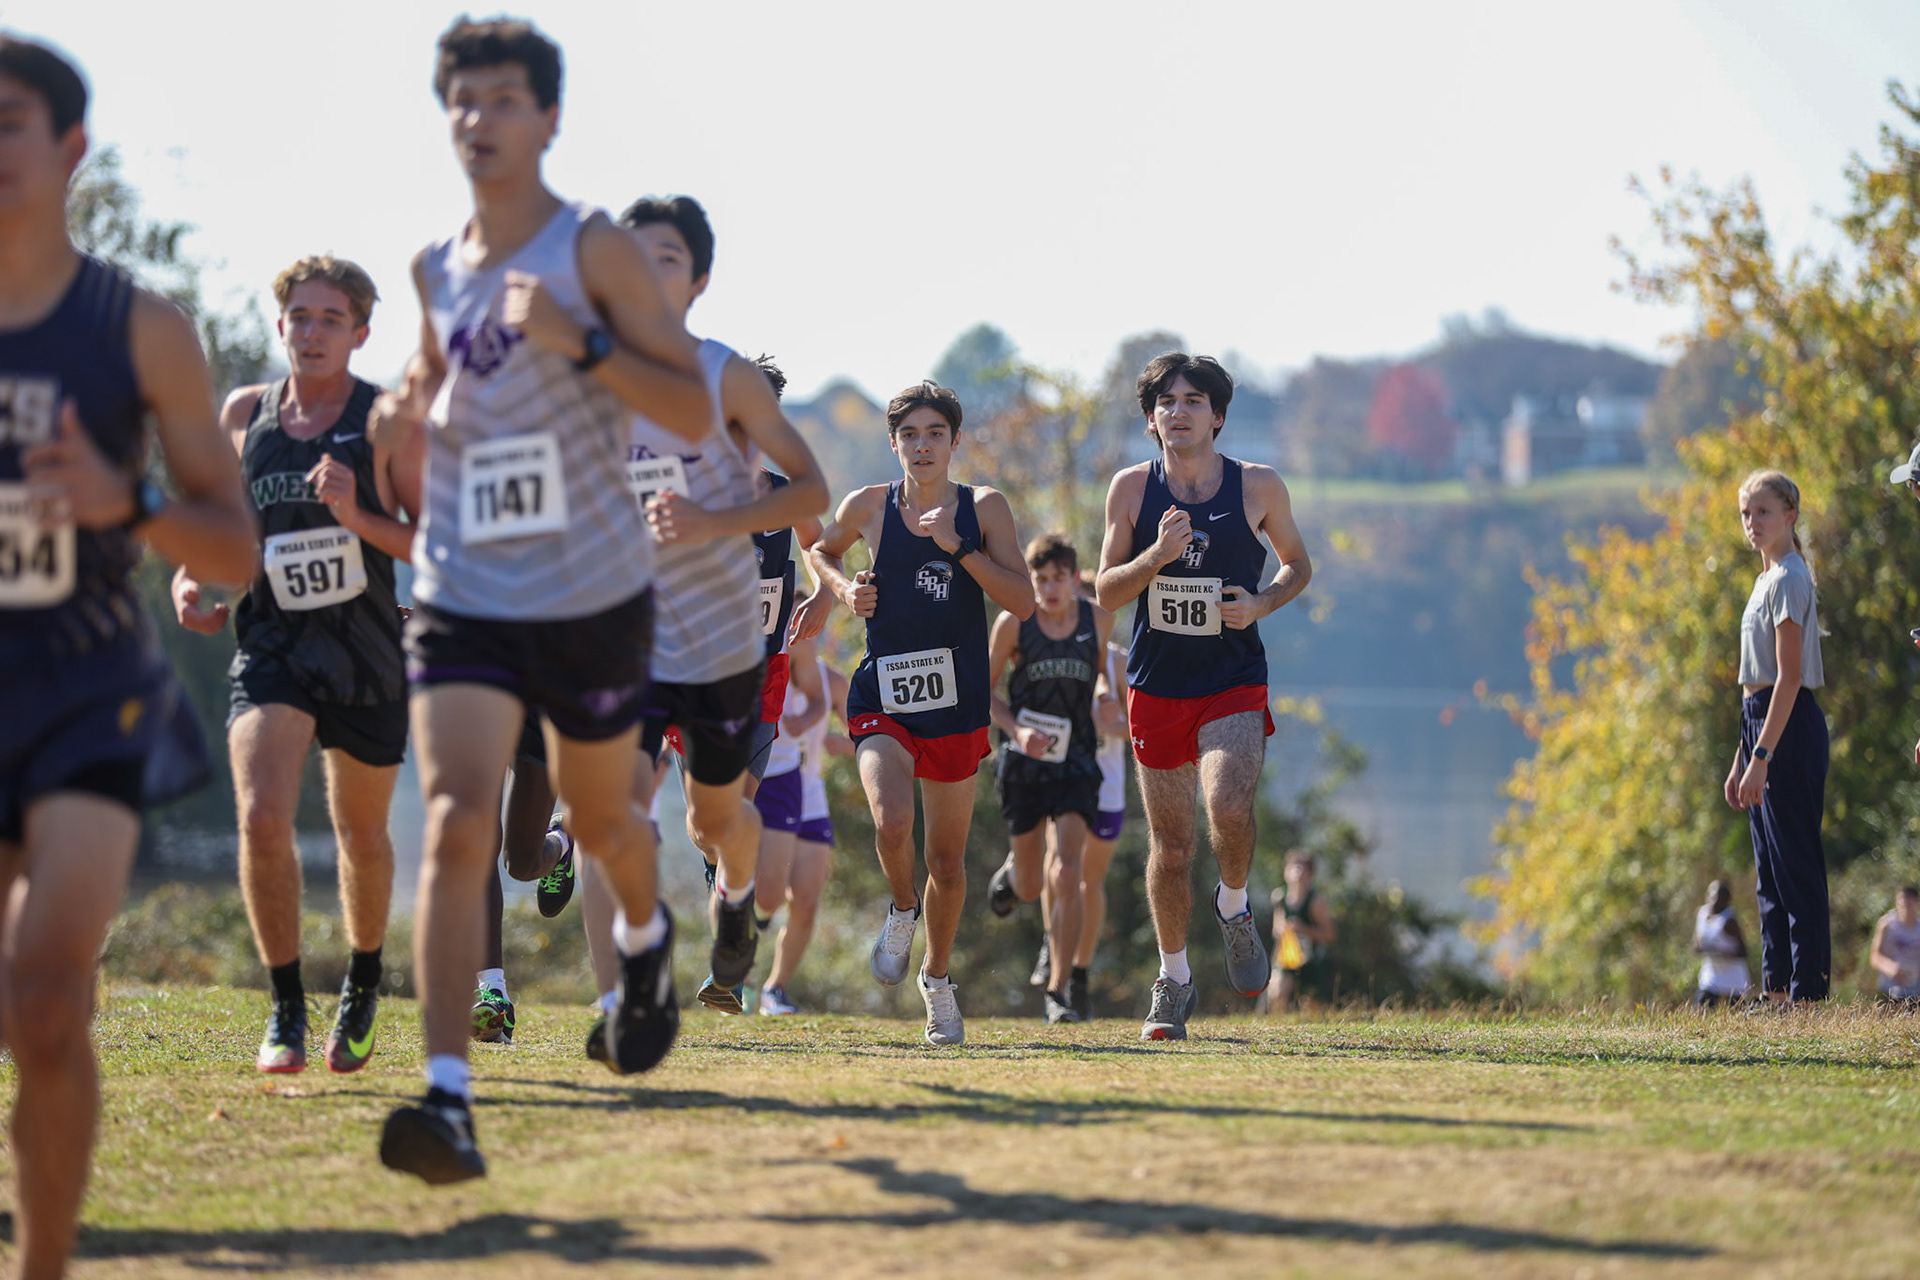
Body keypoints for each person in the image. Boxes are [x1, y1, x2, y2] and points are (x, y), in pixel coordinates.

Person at [373, 16, 720, 1184]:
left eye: (505, 98)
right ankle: (447, 1097)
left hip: (590, 589)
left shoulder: (598, 251)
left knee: (608, 817)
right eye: (463, 99)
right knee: (458, 818)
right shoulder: (436, 267)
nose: (481, 119)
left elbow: (681, 410)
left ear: (551, 116)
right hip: (463, 582)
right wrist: (400, 413)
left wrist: (577, 345)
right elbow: (433, 387)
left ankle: (644, 936)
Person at [0, 34, 258, 1276]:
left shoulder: (138, 327)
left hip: (84, 686)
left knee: (47, 1000)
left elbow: (236, 544)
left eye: (7, 122)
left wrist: (127, 500)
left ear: (68, 149)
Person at [573, 195, 826, 1023]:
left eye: (668, 257)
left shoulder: (728, 378)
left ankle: (737, 898)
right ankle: (619, 1000)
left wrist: (713, 522)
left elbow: (812, 491)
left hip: (722, 650)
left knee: (719, 817)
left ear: (700, 277)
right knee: (609, 809)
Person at [171, 256, 411, 1076]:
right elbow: (216, 528)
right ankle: (284, 1006)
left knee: (362, 834)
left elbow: (434, 541)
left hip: (366, 652)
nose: (312, 333)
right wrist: (191, 580)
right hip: (272, 646)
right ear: (281, 327)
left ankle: (365, 982)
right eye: (299, 318)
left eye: (330, 320)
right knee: (264, 818)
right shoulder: (246, 413)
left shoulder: (385, 421)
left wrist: (354, 514)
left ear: (361, 332)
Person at [808, 380, 1035, 1046]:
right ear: (894, 443)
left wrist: (960, 549)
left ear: (955, 442)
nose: (923, 446)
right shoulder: (871, 506)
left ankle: (936, 982)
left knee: (950, 863)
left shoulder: (984, 507)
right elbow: (819, 550)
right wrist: (846, 589)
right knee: (892, 817)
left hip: (956, 706)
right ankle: (901, 908)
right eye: (910, 434)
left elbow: (1022, 603)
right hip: (884, 695)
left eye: (935, 433)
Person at [1097, 352, 1311, 1041]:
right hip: (1156, 685)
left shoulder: (1258, 486)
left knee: (1227, 803)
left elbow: (1298, 564)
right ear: (1150, 419)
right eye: (1166, 402)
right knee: (1172, 845)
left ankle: (1236, 904)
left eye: (1193, 401)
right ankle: (1174, 979)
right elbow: (1103, 591)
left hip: (1232, 678)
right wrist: (1154, 558)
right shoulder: (1131, 491)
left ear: (1217, 416)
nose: (1179, 411)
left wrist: (1262, 602)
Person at [984, 533, 1113, 1024]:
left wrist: (1103, 692)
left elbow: (1101, 673)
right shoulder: (1014, 624)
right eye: (1041, 579)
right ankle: (1014, 877)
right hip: (1024, 764)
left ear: (1075, 579)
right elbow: (985, 690)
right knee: (1034, 883)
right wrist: (1017, 730)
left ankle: (1058, 991)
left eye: (1059, 578)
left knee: (1070, 873)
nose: (1050, 588)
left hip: (1077, 761)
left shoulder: (1096, 620)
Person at [1724, 469, 1829, 1006]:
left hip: (1787, 726)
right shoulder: (1764, 580)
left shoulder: (1789, 577)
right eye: (1746, 513)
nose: (1752, 523)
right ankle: (1778, 992)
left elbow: (1787, 679)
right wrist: (1742, 757)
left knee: (1795, 867)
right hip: (1760, 723)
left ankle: (1808, 995)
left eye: (1762, 512)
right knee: (1768, 870)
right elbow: (1753, 683)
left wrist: (1763, 753)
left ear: (1790, 515)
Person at [1030, 570, 1129, 1019]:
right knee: (1060, 869)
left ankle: (1081, 971)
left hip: (1106, 785)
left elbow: (1139, 728)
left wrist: (1114, 724)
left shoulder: (1119, 662)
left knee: (1090, 881)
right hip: (1063, 779)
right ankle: (1056, 958)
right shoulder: (1053, 654)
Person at [759, 636, 849, 1015]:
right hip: (766, 789)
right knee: (768, 896)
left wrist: (839, 743)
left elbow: (868, 738)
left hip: (810, 794)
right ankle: (737, 974)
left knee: (807, 899)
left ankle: (774, 988)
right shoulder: (764, 669)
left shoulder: (832, 683)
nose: (800, 635)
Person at [1264, 850, 1337, 1012]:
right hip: (1288, 956)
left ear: (1310, 874)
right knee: (1276, 993)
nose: (1297, 872)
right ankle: (1277, 1031)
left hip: (1312, 958)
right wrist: (1284, 930)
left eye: (1303, 868)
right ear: (1285, 871)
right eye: (1293, 867)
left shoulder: (1316, 903)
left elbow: (1330, 935)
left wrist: (1304, 930)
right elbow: (1276, 930)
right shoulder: (1279, 897)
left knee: (1312, 1005)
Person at [1691, 879, 1751, 1007]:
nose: (1713, 900)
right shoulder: (1702, 914)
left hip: (1733, 980)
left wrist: (1721, 953)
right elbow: (1696, 944)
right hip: (1710, 978)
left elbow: (1743, 952)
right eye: (1710, 895)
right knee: (1700, 1011)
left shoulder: (1729, 921)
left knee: (1739, 1016)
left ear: (1726, 900)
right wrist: (1704, 949)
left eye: (1717, 897)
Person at [1868, 885, 1920, 1002]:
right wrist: (1890, 968)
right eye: (1902, 903)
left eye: (1909, 904)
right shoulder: (1887, 925)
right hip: (1890, 989)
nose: (1906, 907)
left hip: (1916, 989)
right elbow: (1874, 956)